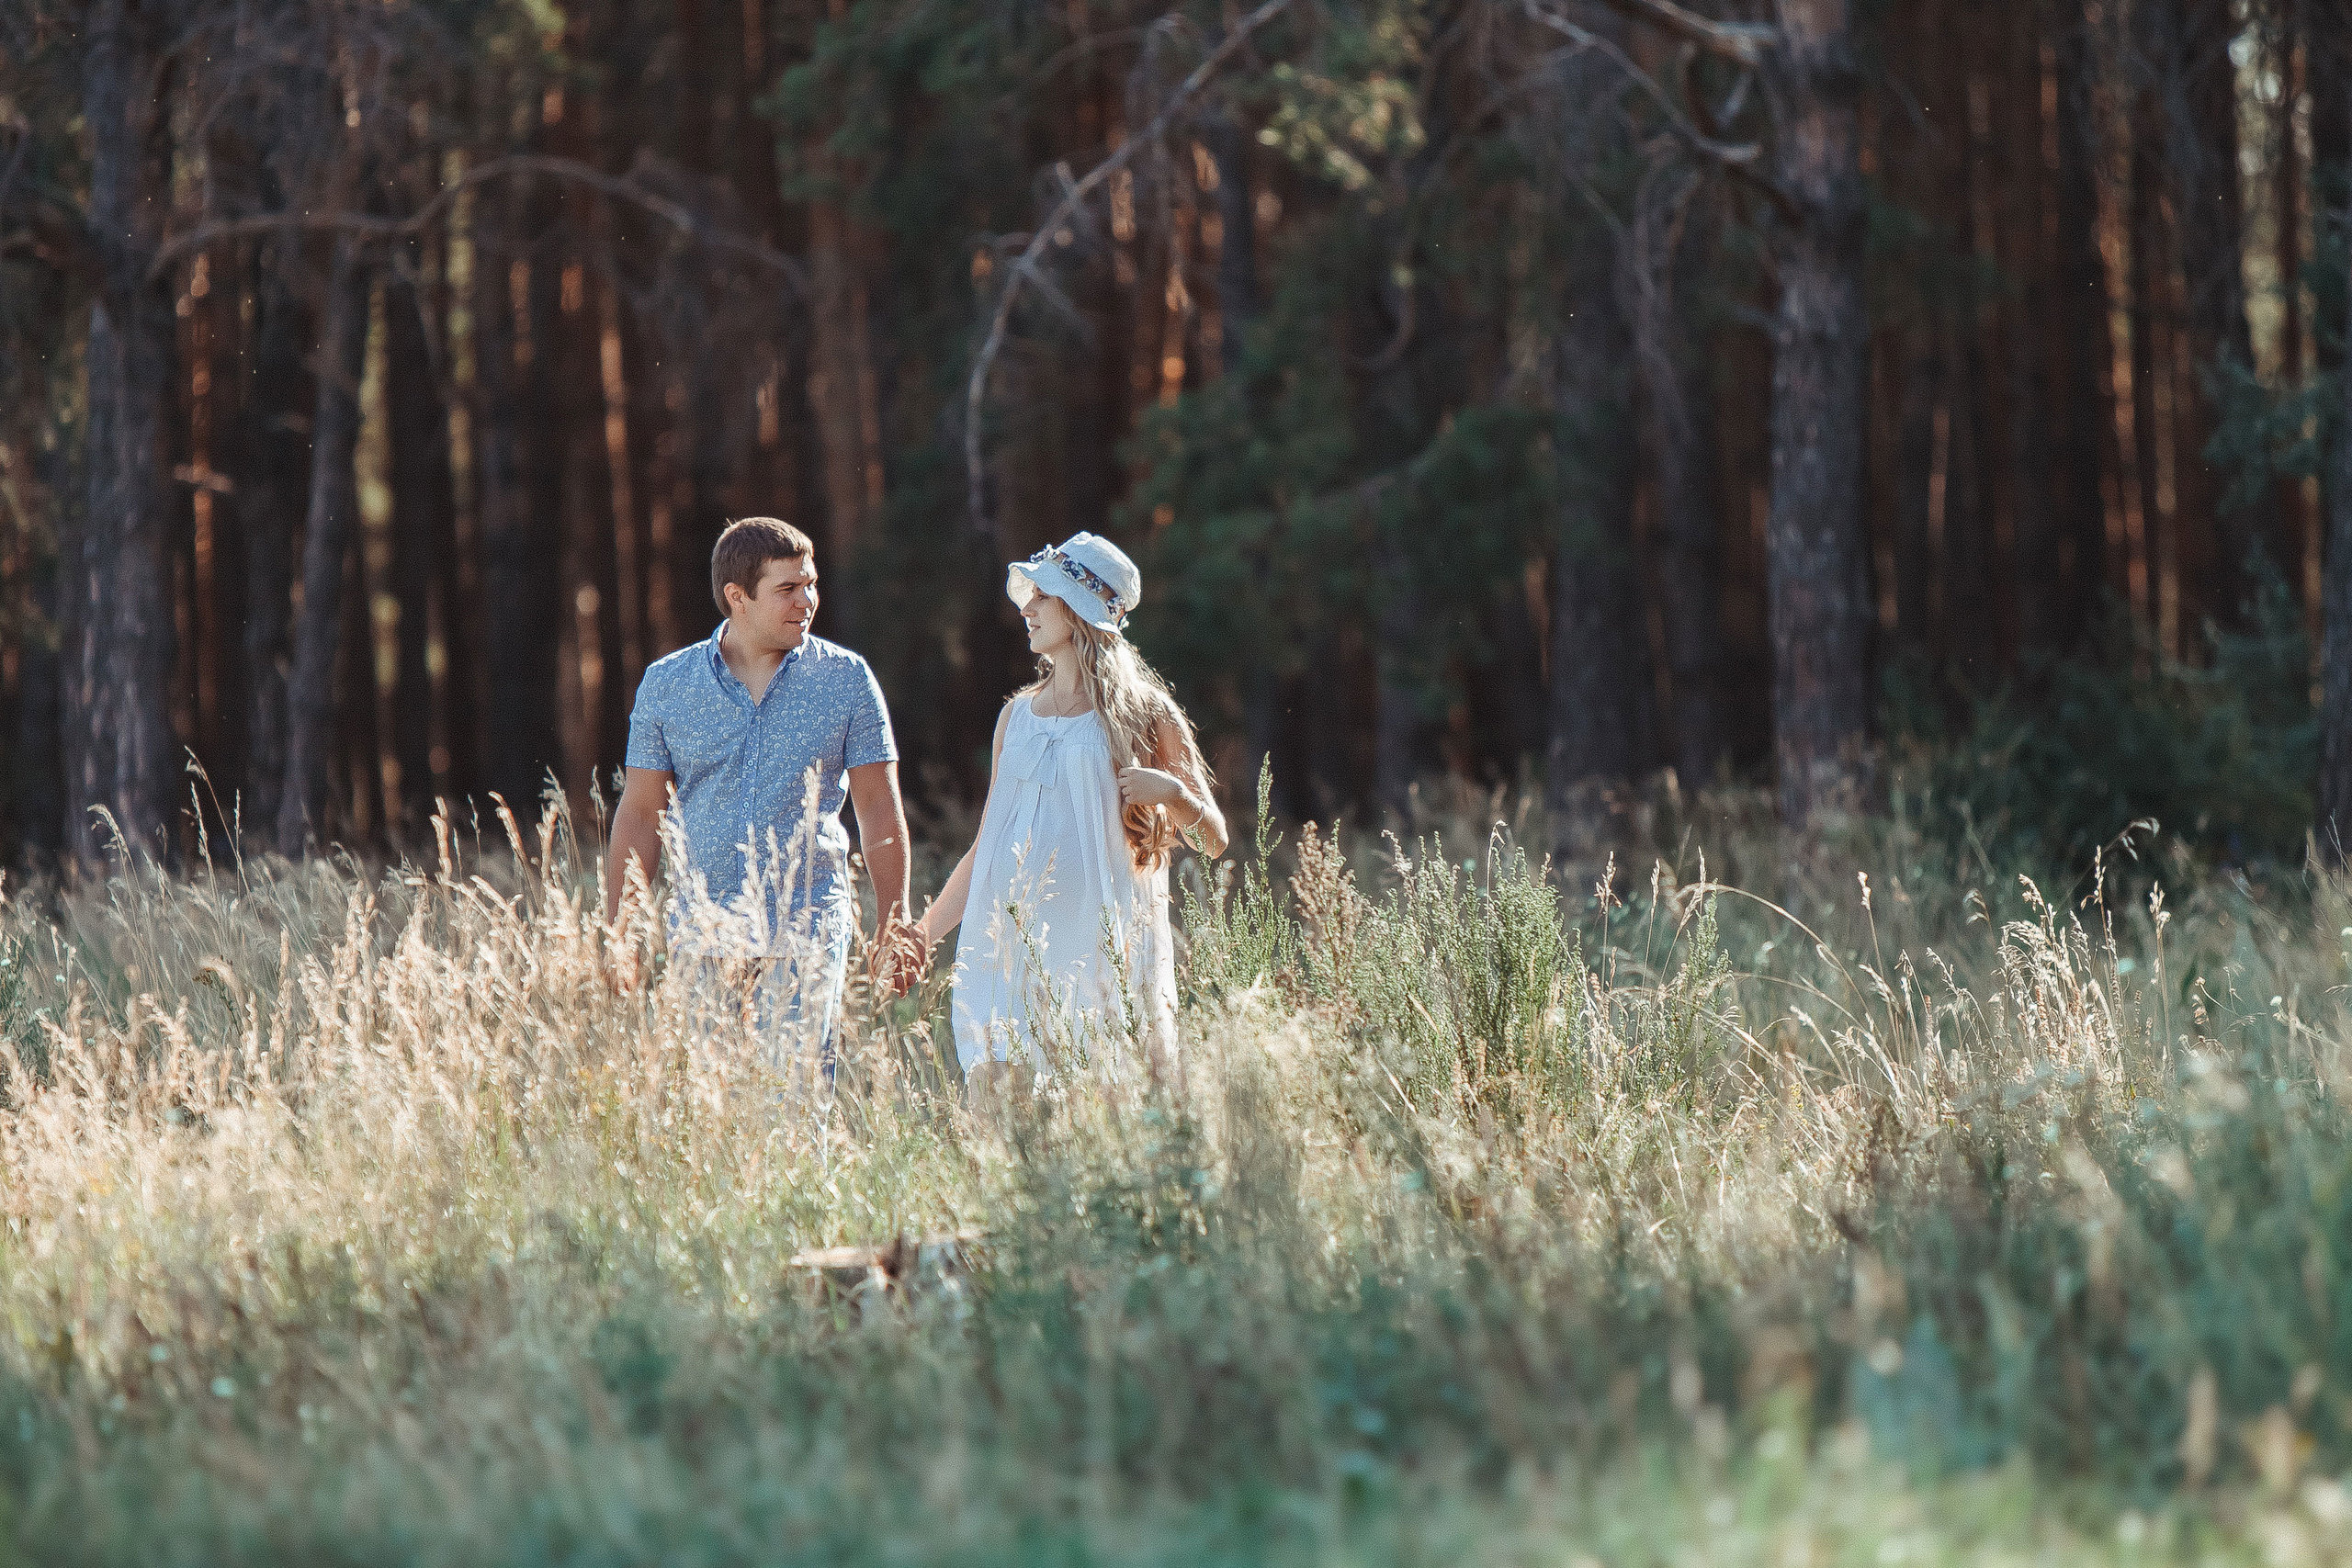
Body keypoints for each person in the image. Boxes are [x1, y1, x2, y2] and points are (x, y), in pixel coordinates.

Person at [914, 533, 1227, 1081]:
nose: (1027, 608)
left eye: (1044, 597)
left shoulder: (1144, 714)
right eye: (1030, 595)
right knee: (999, 1114)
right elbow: (985, 852)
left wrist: (1173, 796)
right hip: (1009, 948)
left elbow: (1214, 840)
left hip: (1097, 952)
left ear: (1081, 613)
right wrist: (922, 937)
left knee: (1098, 1117)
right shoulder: (1017, 719)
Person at [605, 517, 919, 1053]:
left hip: (808, 930)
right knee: (716, 1117)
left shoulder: (846, 680)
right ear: (738, 596)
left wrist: (896, 922)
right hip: (702, 933)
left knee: (796, 1110)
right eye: (788, 589)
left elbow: (878, 809)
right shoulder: (667, 685)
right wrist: (621, 934)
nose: (808, 600)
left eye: (811, 584)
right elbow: (638, 816)